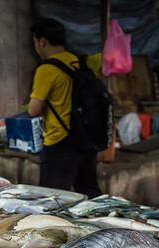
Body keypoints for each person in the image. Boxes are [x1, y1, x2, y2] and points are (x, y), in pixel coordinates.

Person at [26, 18, 102, 197]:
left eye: (35, 42)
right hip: (86, 139)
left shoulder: (47, 69)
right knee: (89, 193)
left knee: (51, 198)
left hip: (59, 142)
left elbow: (33, 110)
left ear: (42, 41)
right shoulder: (79, 62)